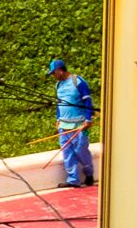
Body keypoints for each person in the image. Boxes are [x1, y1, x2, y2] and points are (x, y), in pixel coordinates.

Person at [48, 59, 97, 189]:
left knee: (81, 150)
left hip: (79, 124)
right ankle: (73, 179)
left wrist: (88, 119)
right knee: (67, 152)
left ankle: (89, 173)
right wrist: (58, 118)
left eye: (54, 73)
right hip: (64, 125)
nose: (53, 76)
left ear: (60, 70)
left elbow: (87, 101)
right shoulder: (58, 85)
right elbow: (60, 103)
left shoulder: (78, 81)